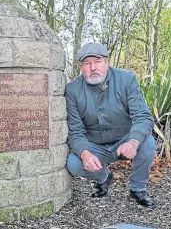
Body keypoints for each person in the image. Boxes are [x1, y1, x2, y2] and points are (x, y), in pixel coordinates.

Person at [65, 42, 156, 209]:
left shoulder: (127, 79)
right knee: (73, 163)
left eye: (98, 61)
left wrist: (133, 141)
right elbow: (75, 131)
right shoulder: (72, 90)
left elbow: (143, 116)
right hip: (96, 146)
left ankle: (138, 189)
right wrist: (85, 154)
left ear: (107, 63)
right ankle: (103, 178)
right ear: (81, 67)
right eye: (87, 63)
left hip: (125, 141)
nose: (93, 67)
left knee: (148, 143)